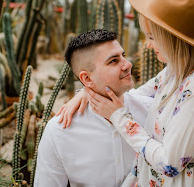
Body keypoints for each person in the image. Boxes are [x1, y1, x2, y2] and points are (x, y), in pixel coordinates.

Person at [58, 0, 194, 186]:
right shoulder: (176, 70)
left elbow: (170, 164)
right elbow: (136, 95)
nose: (148, 45)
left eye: (152, 37)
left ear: (172, 39)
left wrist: (119, 117)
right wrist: (88, 91)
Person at [34, 29, 154, 187]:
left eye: (123, 56)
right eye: (113, 61)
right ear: (87, 78)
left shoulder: (151, 111)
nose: (127, 64)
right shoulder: (59, 131)